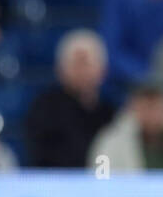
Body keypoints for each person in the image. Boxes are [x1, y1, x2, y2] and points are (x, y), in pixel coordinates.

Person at [24, 29, 115, 168]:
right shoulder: (44, 110)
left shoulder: (111, 113)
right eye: (76, 63)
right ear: (60, 70)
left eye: (86, 63)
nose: (81, 70)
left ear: (103, 70)